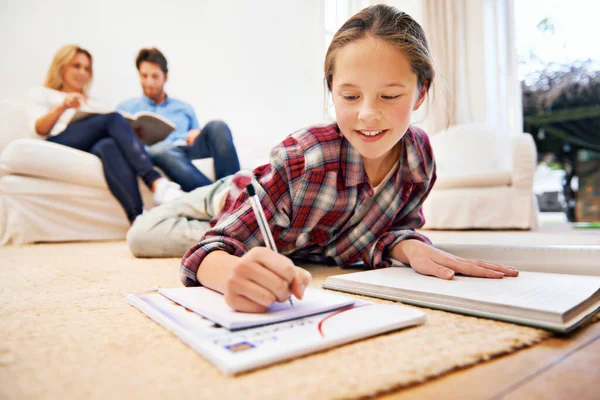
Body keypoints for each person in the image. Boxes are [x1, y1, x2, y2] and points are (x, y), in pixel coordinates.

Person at [127, 5, 519, 312]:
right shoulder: (305, 158)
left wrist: (409, 247)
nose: (367, 114)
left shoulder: (419, 160)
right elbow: (204, 253)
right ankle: (213, 213)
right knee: (141, 235)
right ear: (331, 90)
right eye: (350, 97)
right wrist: (228, 268)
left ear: (420, 93)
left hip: (292, 234)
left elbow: (391, 229)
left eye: (390, 96)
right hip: (242, 194)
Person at [28, 44, 183, 224]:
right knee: (112, 119)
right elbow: (39, 129)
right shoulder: (43, 93)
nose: (82, 73)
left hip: (89, 146)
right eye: (76, 66)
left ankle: (138, 217)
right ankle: (156, 183)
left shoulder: (93, 102)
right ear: (61, 66)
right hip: (59, 140)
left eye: (86, 69)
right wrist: (63, 106)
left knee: (107, 146)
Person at [117, 48, 241, 192]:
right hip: (156, 153)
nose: (149, 82)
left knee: (218, 125)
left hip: (186, 150)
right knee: (161, 148)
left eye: (155, 76)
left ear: (165, 77)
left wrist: (195, 133)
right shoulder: (125, 108)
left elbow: (197, 135)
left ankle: (235, 191)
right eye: (144, 76)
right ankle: (217, 196)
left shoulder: (184, 108)